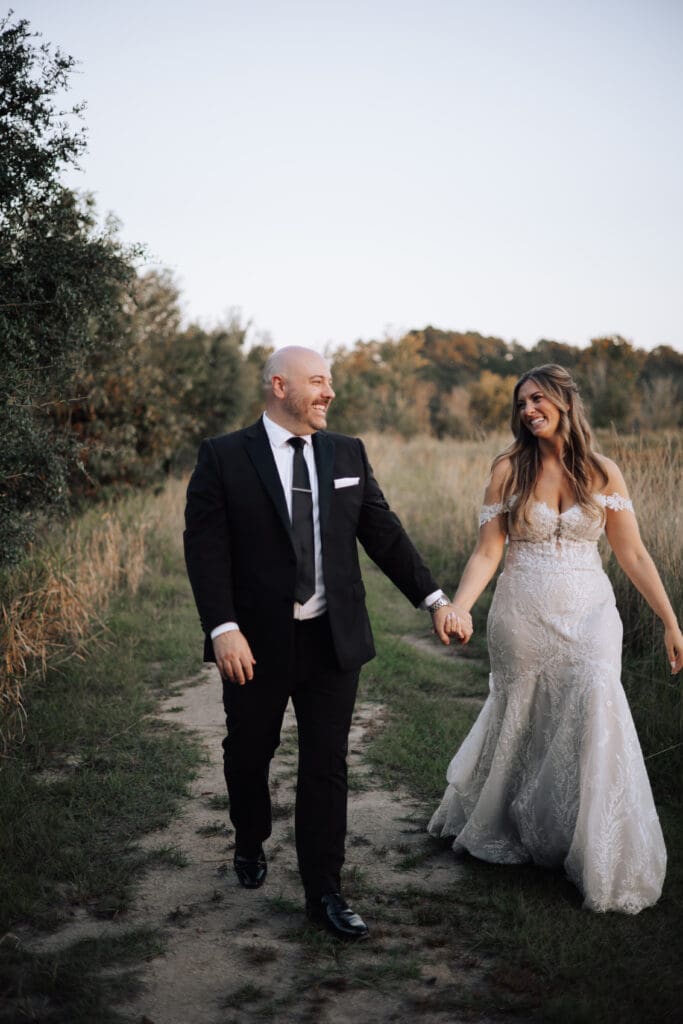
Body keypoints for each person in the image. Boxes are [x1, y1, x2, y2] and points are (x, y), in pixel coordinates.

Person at [184, 346, 465, 941]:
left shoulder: (347, 453)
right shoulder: (224, 457)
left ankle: (325, 890)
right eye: (317, 382)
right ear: (279, 386)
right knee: (249, 752)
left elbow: (384, 534)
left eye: (330, 382)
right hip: (254, 645)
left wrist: (434, 599)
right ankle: (250, 834)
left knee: (326, 764)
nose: (329, 392)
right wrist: (222, 627)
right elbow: (205, 550)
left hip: (332, 640)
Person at [428, 363, 682, 914]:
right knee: (523, 715)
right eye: (521, 403)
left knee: (595, 699)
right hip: (522, 614)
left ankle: (596, 847)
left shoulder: (602, 470)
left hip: (591, 613)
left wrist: (669, 619)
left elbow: (632, 553)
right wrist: (460, 606)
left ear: (566, 402)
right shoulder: (508, 469)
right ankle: (517, 825)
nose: (528, 410)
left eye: (538, 399)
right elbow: (488, 551)